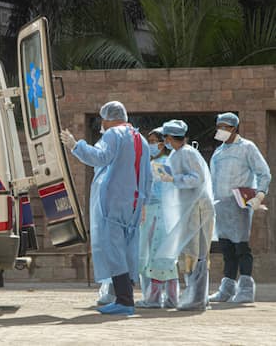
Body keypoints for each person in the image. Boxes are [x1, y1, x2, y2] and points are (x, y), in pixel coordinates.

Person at [60, 101, 153, 315]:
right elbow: (148, 177)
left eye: (103, 119)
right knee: (128, 250)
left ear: (108, 118)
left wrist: (76, 145)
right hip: (133, 204)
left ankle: (124, 301)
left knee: (114, 249)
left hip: (114, 202)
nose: (101, 123)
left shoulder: (114, 135)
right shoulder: (141, 139)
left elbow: (99, 157)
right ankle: (125, 296)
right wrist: (144, 204)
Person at [208, 112, 271, 303]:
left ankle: (245, 289)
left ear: (234, 128)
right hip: (221, 204)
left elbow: (263, 172)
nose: (221, 130)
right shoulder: (219, 151)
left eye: (225, 126)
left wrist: (259, 195)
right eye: (219, 126)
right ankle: (227, 289)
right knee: (226, 247)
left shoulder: (247, 148)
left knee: (241, 247)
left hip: (239, 204)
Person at [156, 119, 215, 311]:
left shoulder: (188, 153)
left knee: (196, 252)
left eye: (165, 137)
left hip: (197, 207)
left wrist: (174, 178)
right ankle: (195, 295)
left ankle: (197, 297)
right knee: (189, 251)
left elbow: (197, 178)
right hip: (188, 206)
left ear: (170, 137)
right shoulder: (176, 154)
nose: (164, 141)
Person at [136, 127, 179, 309]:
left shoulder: (162, 164)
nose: (151, 145)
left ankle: (156, 297)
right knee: (157, 257)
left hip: (158, 213)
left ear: (162, 144)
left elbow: (163, 191)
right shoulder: (157, 162)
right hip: (154, 212)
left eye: (154, 141)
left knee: (156, 256)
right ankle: (166, 297)